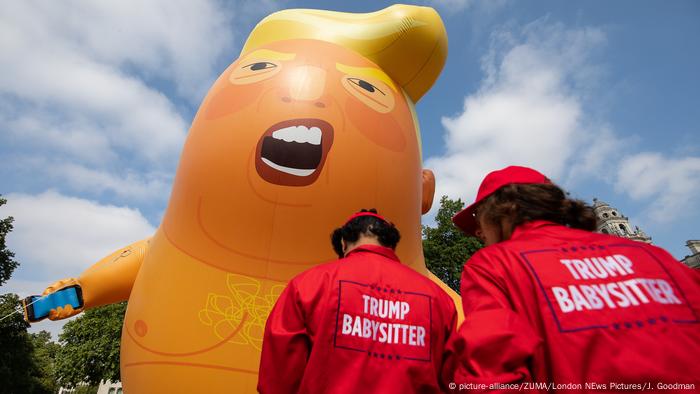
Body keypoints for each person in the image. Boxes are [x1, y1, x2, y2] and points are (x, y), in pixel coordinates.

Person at [444, 166, 700, 391]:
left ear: (505, 209)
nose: (477, 231)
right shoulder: (655, 257)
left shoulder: (494, 264)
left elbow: (490, 376)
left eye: (479, 217)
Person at [258, 209, 457, 393]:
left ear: (343, 243)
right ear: (390, 244)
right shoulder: (440, 299)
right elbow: (454, 380)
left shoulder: (308, 284)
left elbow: (278, 376)